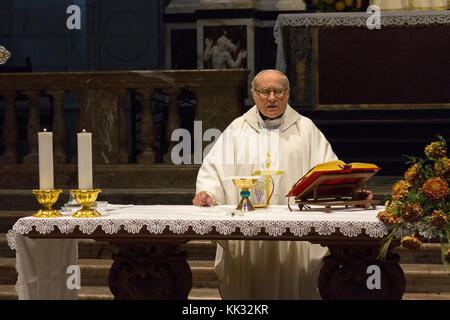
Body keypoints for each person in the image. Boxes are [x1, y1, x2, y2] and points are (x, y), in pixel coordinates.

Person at [192, 69, 372, 299]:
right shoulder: (236, 130)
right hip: (249, 232)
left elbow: (330, 170)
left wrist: (351, 192)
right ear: (253, 95)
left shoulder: (306, 130)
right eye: (265, 91)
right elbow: (213, 170)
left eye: (278, 91)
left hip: (293, 234)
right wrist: (207, 193)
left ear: (288, 94)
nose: (271, 97)